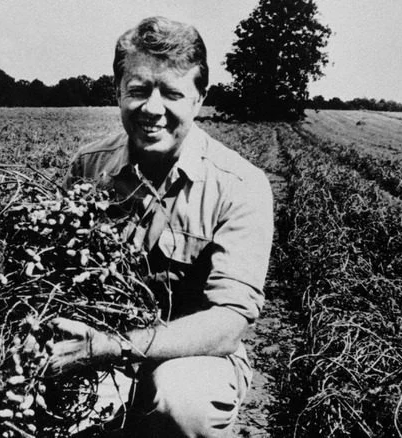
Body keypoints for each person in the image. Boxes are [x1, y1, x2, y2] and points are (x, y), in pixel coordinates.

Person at [51, 16, 274, 437]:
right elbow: (57, 277)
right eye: (137, 91)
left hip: (194, 355)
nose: (152, 109)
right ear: (117, 91)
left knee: (182, 398)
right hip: (96, 343)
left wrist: (115, 345)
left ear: (199, 98)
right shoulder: (89, 166)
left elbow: (227, 323)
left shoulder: (240, 185)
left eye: (171, 92)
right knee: (62, 412)